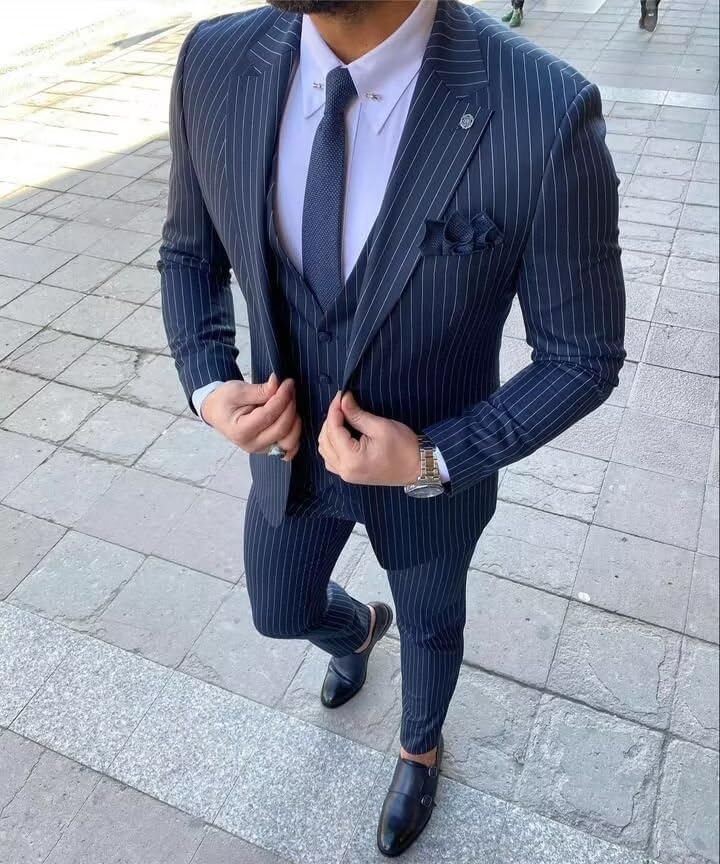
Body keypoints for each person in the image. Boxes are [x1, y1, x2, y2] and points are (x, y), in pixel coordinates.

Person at [159, 0, 625, 856]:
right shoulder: (215, 62)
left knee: (433, 626)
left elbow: (582, 356)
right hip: (289, 463)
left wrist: (435, 459)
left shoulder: (543, 108)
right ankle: (355, 630)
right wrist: (210, 385)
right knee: (278, 610)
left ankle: (420, 747)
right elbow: (190, 254)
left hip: (430, 481)